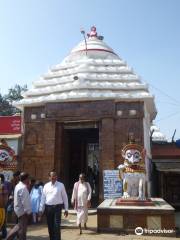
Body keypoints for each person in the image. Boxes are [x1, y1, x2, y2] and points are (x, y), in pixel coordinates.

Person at [38, 171, 68, 240]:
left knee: (57, 226)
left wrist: (66, 209)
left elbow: (65, 197)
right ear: (49, 177)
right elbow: (43, 199)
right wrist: (40, 210)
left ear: (56, 177)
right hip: (48, 208)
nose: (53, 177)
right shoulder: (46, 186)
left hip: (57, 208)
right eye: (52, 176)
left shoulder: (61, 185)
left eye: (55, 176)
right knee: (50, 226)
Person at [6, 172, 32, 240]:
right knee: (22, 230)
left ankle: (8, 237)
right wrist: (28, 212)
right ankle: (8, 238)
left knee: (19, 227)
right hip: (23, 211)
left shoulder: (18, 185)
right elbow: (25, 201)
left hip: (18, 210)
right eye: (28, 178)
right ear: (26, 179)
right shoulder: (23, 188)